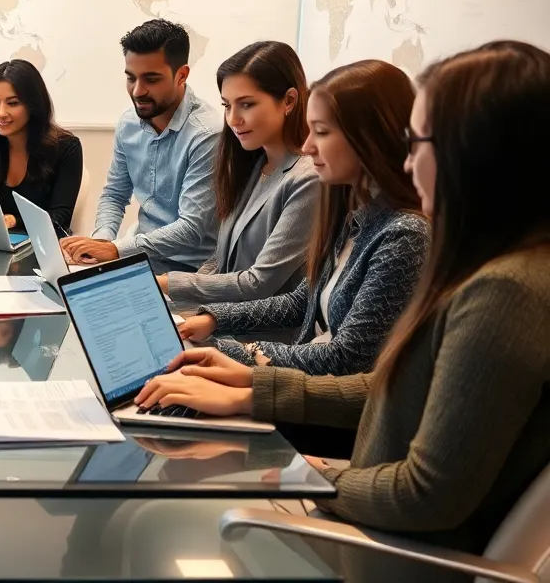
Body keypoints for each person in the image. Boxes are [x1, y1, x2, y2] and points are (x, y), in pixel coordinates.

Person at [136, 40, 550, 554]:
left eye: (419, 140)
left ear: (477, 152)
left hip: (391, 549)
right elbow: (387, 386)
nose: (409, 159)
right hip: (363, 500)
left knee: (163, 521)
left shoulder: (503, 290)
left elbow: (425, 495)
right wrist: (253, 389)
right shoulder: (485, 264)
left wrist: (298, 473)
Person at [177, 60, 429, 375]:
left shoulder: (404, 235)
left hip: (320, 396)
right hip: (300, 377)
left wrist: (234, 352)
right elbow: (301, 302)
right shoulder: (352, 212)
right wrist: (213, 320)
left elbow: (347, 358)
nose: (308, 146)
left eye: (321, 132)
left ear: (371, 137)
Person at [160, 41, 317, 305]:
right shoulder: (253, 164)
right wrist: (175, 301)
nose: (233, 119)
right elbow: (219, 261)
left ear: (289, 100)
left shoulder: (307, 179)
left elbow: (258, 284)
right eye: (227, 105)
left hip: (263, 326)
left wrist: (166, 283)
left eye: (246, 104)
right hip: (220, 315)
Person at [60, 19, 220, 275]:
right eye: (131, 78)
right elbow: (114, 195)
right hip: (138, 258)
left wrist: (115, 250)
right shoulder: (129, 124)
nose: (137, 91)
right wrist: (100, 242)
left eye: (151, 79)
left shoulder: (208, 134)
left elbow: (191, 230)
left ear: (182, 75)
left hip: (190, 270)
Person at [0, 59, 83, 234]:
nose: (1, 113)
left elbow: (60, 218)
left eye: (12, 103)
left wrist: (15, 221)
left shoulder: (66, 147)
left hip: (39, 244)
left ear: (33, 105)